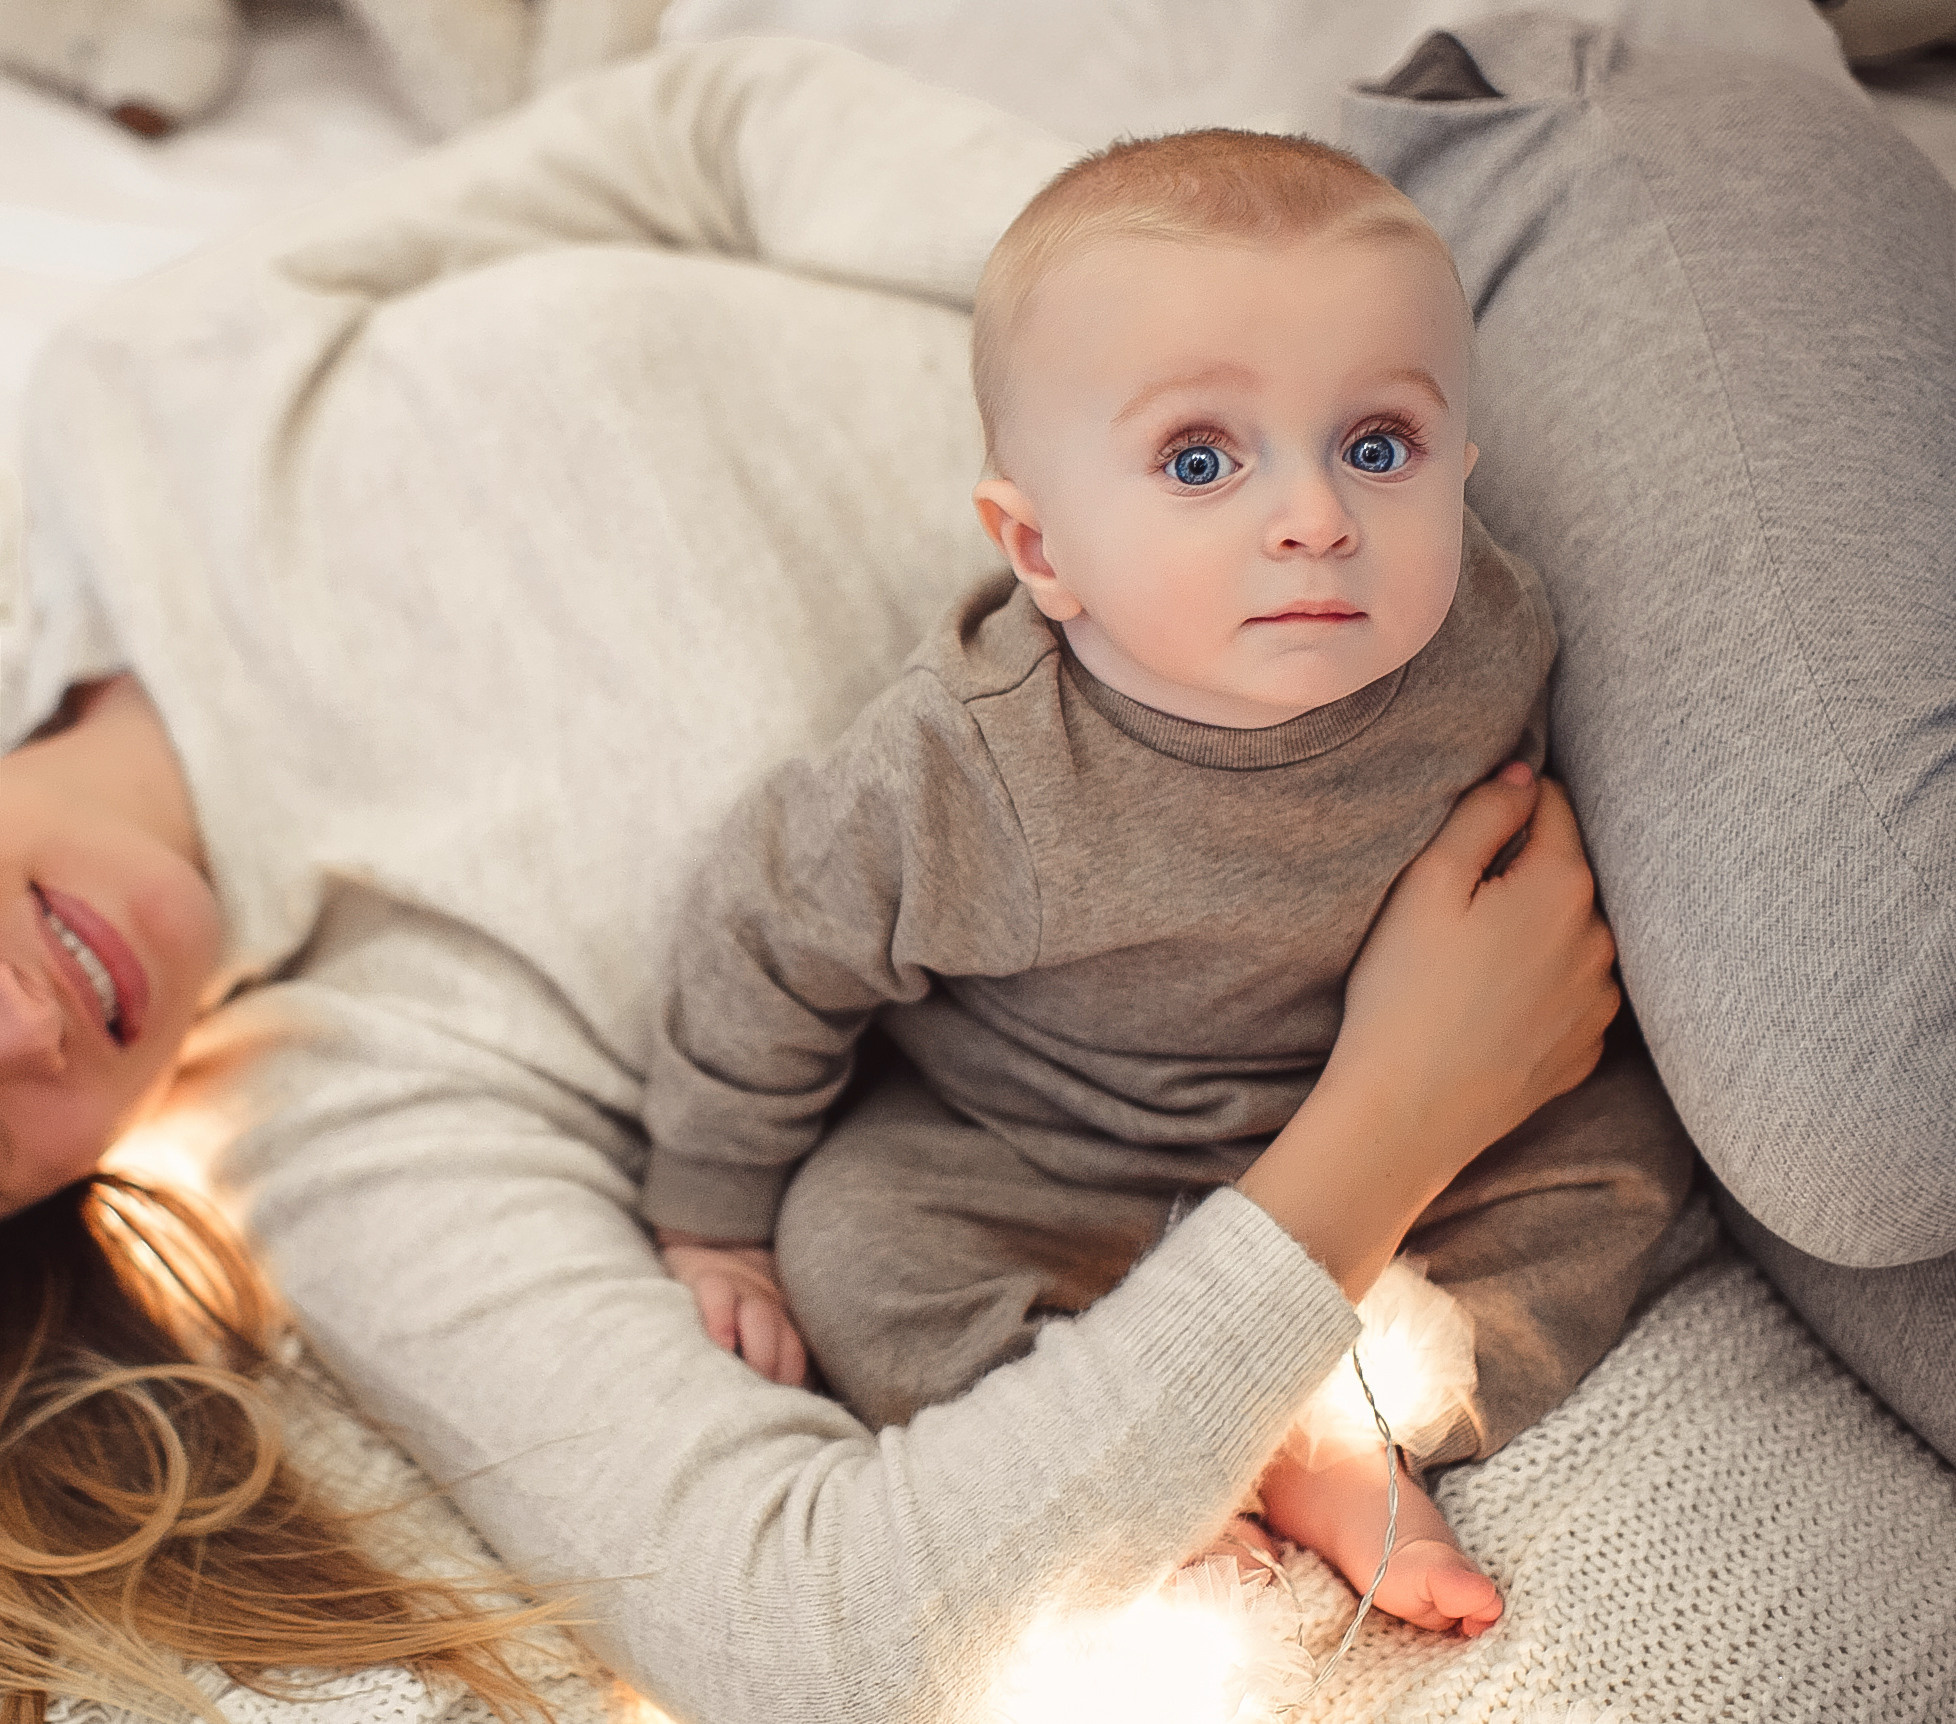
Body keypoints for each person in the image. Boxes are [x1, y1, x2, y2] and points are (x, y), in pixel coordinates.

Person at [643, 129, 1691, 1639]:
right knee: (859, 1252)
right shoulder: (966, 769)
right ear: (1040, 547)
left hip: (1416, 1151)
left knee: (1623, 1162)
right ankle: (1156, 1451)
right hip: (1049, 1156)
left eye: (1379, 446)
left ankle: (1350, 1432)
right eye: (1201, 461)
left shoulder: (1495, 633)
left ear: (1462, 474)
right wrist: (712, 1211)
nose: (1318, 515)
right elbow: (765, 941)